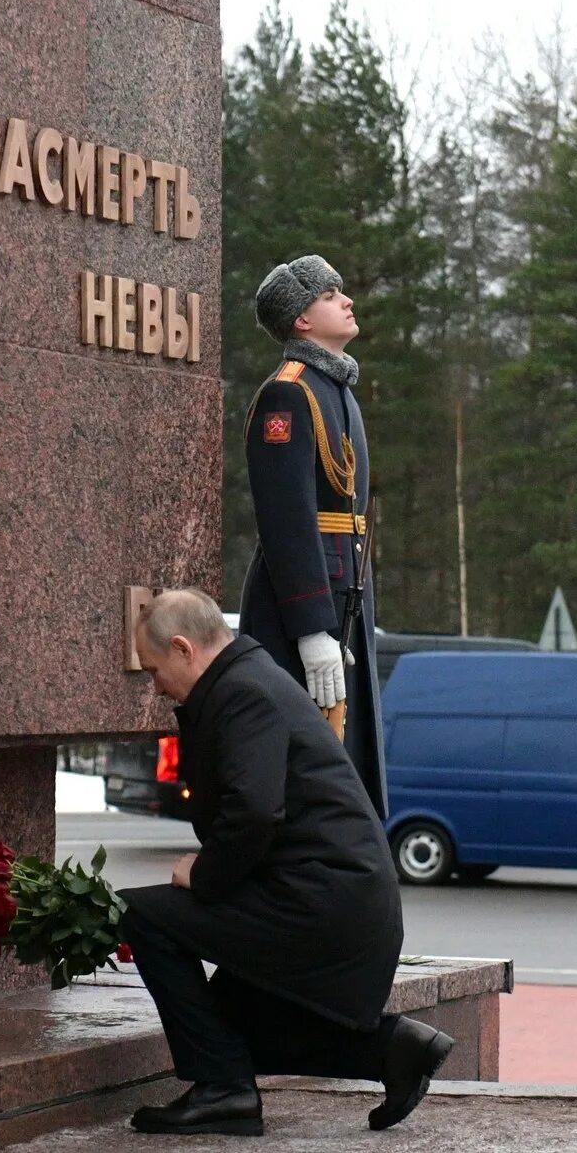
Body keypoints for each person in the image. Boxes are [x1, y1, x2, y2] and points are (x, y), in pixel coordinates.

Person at [120, 589, 452, 1135]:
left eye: (155, 671)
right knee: (226, 1021)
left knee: (143, 916)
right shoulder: (249, 679)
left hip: (325, 906)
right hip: (333, 899)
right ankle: (393, 1050)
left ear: (183, 648)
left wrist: (202, 875)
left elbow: (253, 812)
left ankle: (224, 1090)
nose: (157, 687)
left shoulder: (242, 693)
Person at [238, 255, 387, 817]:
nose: (346, 301)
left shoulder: (336, 389)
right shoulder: (289, 394)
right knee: (302, 765)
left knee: (345, 756)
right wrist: (311, 629)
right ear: (301, 320)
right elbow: (286, 518)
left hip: (346, 590)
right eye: (330, 295)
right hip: (304, 603)